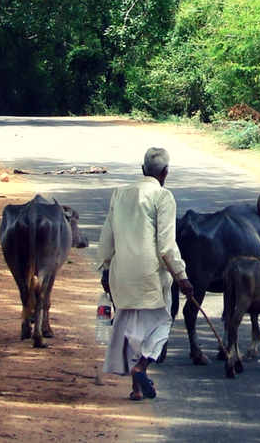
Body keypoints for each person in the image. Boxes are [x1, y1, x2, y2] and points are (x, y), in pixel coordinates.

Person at [96, 147, 193, 401]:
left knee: (129, 326)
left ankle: (136, 388)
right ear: (165, 172)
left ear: (142, 170)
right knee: (161, 324)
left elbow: (107, 237)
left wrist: (105, 270)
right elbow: (167, 245)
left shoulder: (119, 194)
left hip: (121, 273)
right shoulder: (163, 197)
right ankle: (142, 367)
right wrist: (182, 276)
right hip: (151, 276)